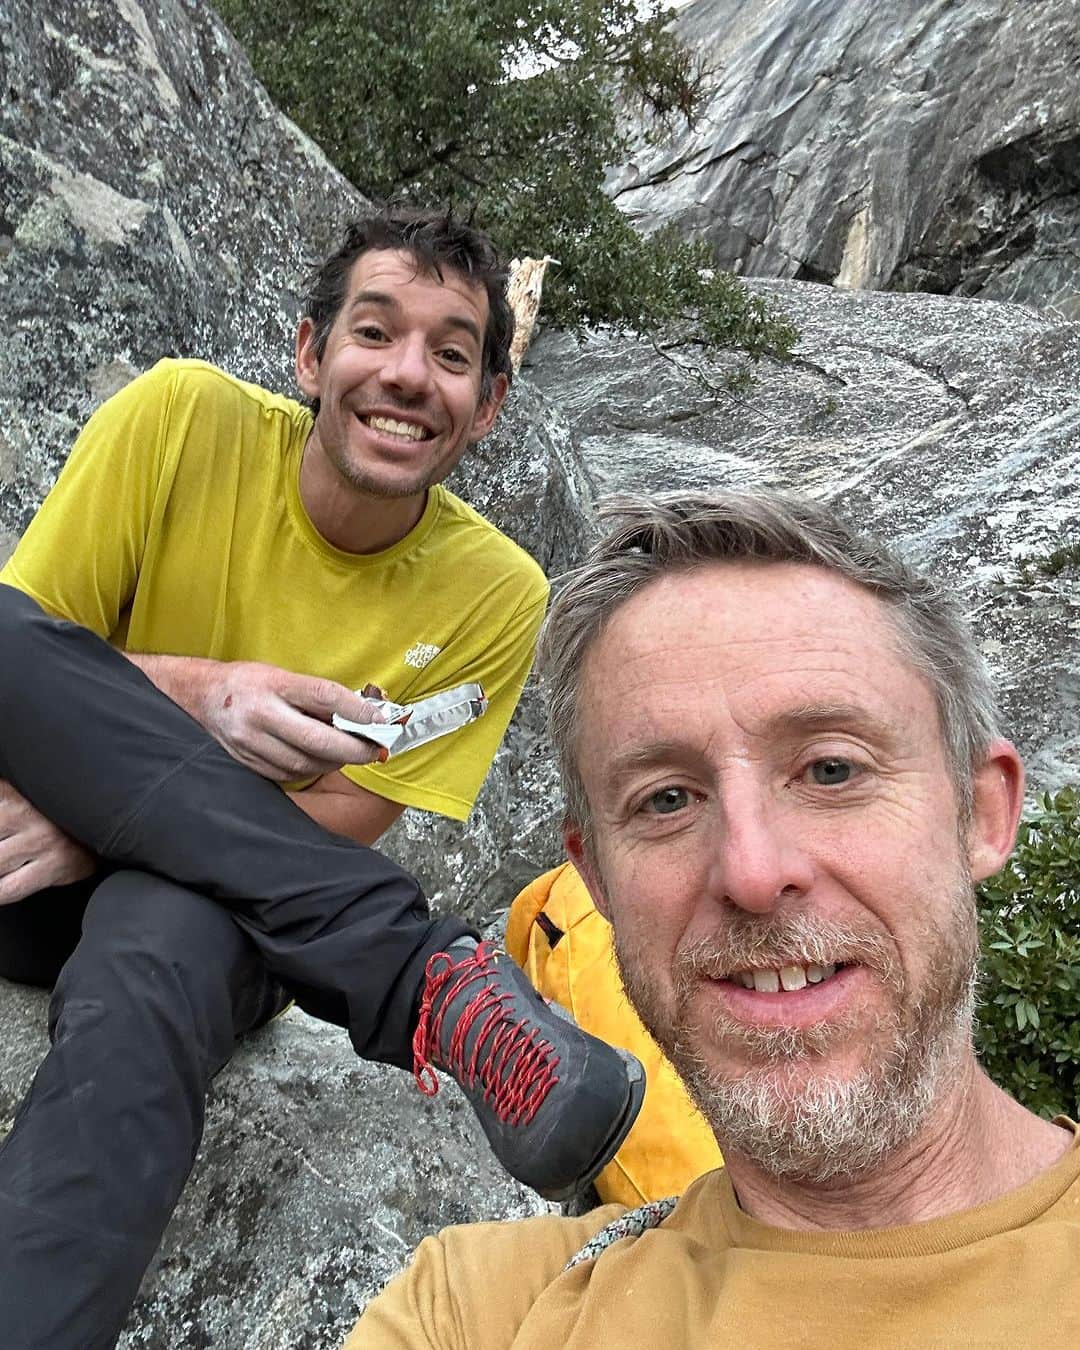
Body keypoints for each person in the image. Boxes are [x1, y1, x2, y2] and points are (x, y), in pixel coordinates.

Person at [0, 209, 643, 1350]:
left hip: (223, 911)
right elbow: (24, 669)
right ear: (309, 354)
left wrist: (104, 820)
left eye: (451, 355)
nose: (407, 376)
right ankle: (424, 981)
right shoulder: (180, 418)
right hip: (19, 863)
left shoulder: (495, 597)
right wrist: (203, 695)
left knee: (168, 939)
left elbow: (339, 823)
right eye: (375, 333)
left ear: (487, 407)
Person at [350, 489, 1080, 1348]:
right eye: (666, 799)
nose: (752, 871)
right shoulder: (478, 1312)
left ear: (981, 814)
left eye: (832, 771)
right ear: (597, 884)